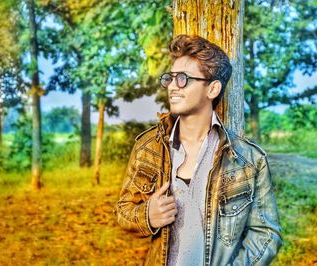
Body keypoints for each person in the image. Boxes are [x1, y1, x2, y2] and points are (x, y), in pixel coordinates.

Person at [115, 35, 282, 266]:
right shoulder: (148, 147)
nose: (173, 86)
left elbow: (266, 233)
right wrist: (147, 216)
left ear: (212, 88)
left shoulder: (249, 160)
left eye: (183, 79)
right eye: (171, 78)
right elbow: (123, 210)